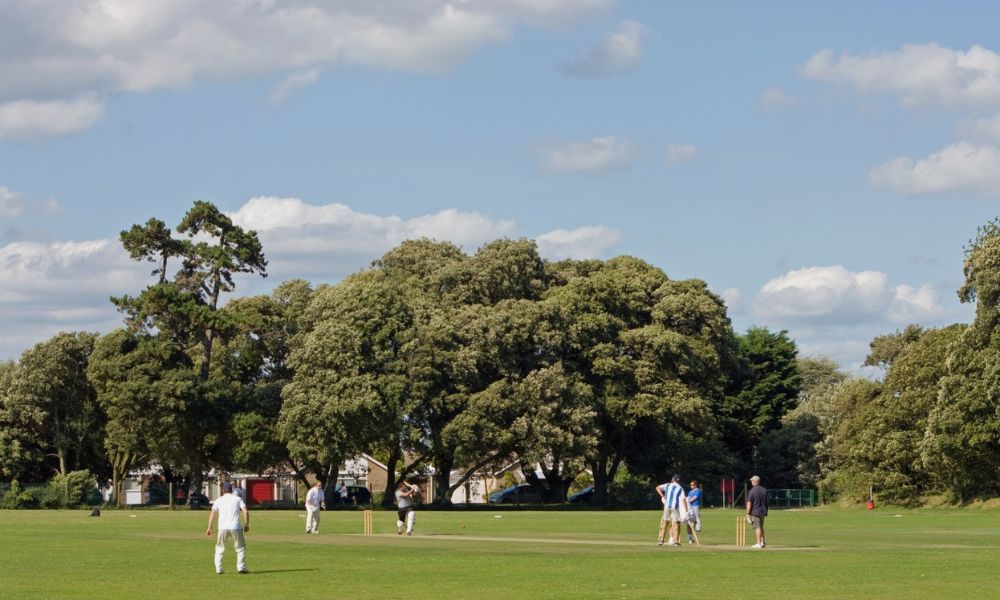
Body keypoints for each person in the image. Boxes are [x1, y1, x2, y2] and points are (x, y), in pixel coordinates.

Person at [205, 481, 249, 574]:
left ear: (223, 490)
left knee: (220, 548)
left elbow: (212, 513)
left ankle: (219, 569)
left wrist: (209, 527)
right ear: (231, 490)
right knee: (240, 547)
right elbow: (245, 512)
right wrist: (246, 524)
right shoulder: (237, 499)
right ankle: (241, 567)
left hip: (222, 527)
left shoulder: (218, 500)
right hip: (235, 526)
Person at [655, 474, 688, 546]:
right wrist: (686, 511)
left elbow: (657, 488)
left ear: (673, 479)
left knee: (665, 522)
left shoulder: (668, 485)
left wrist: (663, 496)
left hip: (667, 506)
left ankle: (661, 540)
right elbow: (683, 500)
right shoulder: (680, 488)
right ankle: (676, 541)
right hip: (675, 507)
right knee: (676, 523)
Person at [746, 475, 768, 549]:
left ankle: (758, 543)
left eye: (752, 480)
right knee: (761, 527)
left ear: (755, 481)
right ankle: (762, 542)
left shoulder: (752, 491)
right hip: (763, 511)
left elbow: (749, 503)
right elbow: (766, 501)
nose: (751, 482)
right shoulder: (764, 490)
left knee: (757, 527)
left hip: (755, 511)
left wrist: (748, 513)